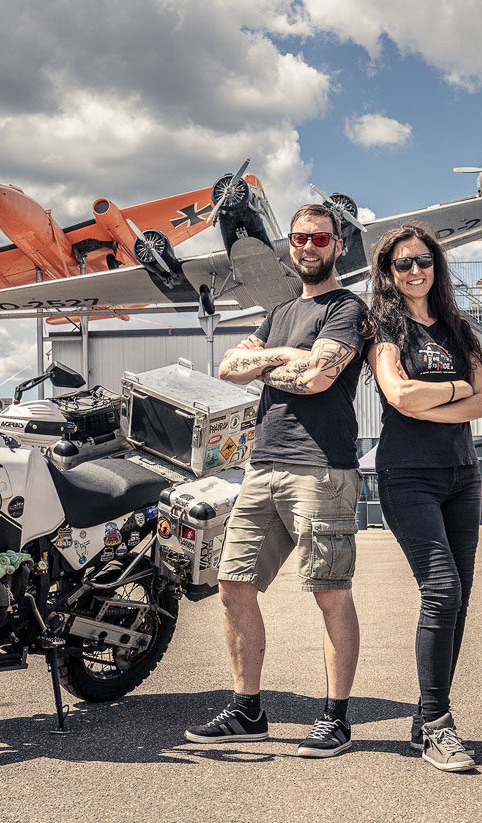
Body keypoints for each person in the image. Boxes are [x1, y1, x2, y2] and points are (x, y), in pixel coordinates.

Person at [183, 204, 368, 758]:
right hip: (263, 465)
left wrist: (271, 362)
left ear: (337, 245)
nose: (308, 246)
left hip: (321, 466)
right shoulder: (281, 310)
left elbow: (317, 378)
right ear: (289, 244)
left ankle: (336, 717)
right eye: (299, 238)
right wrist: (288, 356)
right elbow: (226, 369)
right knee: (232, 585)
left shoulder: (348, 309)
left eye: (319, 237)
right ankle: (249, 710)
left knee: (330, 592)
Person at [364, 222, 482, 772]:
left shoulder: (457, 329)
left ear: (436, 266)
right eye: (402, 264)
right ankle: (439, 725)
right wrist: (455, 389)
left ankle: (427, 713)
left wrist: (436, 398)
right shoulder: (384, 326)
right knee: (441, 587)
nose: (414, 270)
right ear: (389, 274)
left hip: (462, 476)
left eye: (423, 260)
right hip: (407, 476)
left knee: (458, 594)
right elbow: (397, 395)